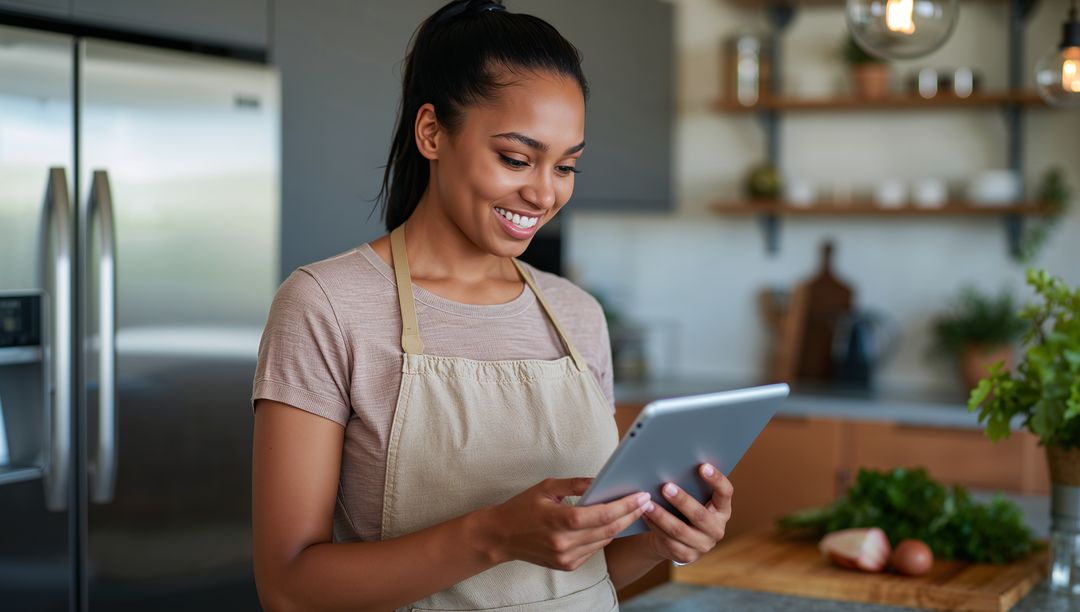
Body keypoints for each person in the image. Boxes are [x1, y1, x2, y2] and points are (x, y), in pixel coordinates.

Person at [250, 1, 734, 610]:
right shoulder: (326, 306)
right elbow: (288, 588)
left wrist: (665, 539)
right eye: (515, 158)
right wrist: (492, 535)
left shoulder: (576, 315)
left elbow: (585, 572)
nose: (542, 192)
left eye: (566, 166)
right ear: (431, 132)